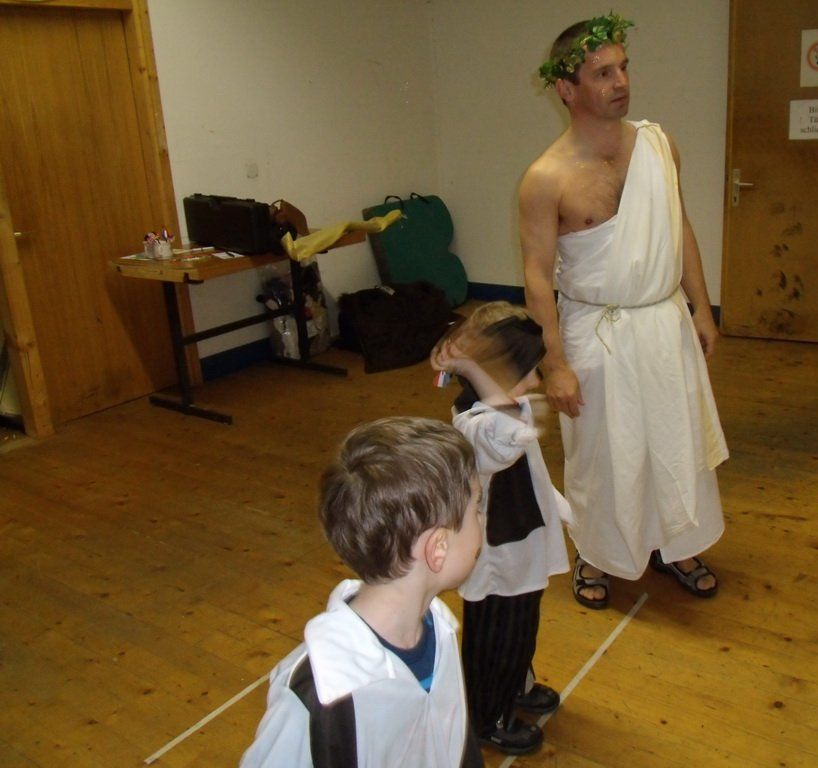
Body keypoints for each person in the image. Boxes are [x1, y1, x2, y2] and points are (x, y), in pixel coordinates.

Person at [519, 13, 729, 610]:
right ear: (567, 88)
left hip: (663, 321)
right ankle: (597, 551)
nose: (621, 82)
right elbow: (537, 278)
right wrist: (554, 364)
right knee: (602, 453)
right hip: (595, 329)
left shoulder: (659, 147)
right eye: (602, 73)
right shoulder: (545, 178)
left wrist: (701, 308)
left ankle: (677, 544)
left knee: (676, 439)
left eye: (623, 68)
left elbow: (678, 226)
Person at [240, 417, 484, 768]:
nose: (483, 521)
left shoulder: (439, 630)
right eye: (477, 508)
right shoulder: (319, 692)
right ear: (439, 548)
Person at [430, 302, 570, 755]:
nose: (535, 381)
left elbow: (529, 462)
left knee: (522, 628)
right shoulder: (476, 426)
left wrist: (560, 507)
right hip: (497, 559)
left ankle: (516, 685)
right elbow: (510, 433)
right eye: (524, 371)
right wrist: (473, 364)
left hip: (522, 546)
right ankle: (487, 716)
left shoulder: (506, 409)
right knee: (497, 637)